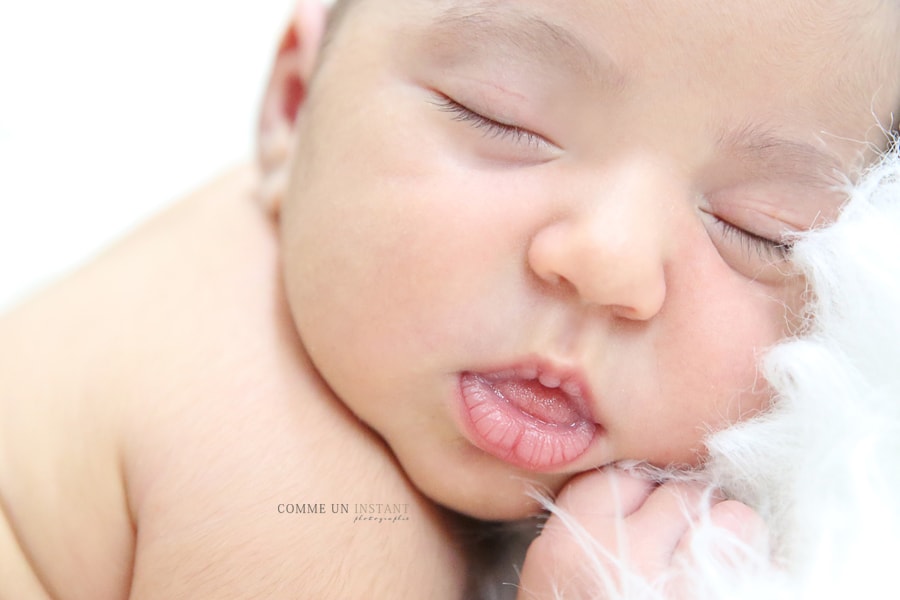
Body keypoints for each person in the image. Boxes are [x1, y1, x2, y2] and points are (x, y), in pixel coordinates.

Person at [1, 0, 897, 597]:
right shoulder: (312, 505)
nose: (609, 264)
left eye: (763, 229)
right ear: (295, 103)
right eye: (502, 118)